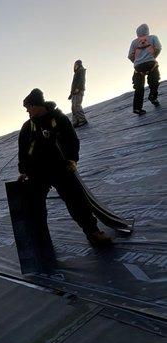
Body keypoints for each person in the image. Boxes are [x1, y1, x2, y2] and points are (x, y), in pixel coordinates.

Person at [18, 88, 112, 247]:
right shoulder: (28, 127)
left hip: (60, 168)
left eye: (28, 107)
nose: (27, 111)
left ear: (36, 105)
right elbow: (23, 150)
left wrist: (72, 160)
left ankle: (93, 232)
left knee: (77, 201)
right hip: (37, 172)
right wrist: (24, 171)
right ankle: (40, 242)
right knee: (34, 207)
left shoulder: (59, 119)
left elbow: (71, 140)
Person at [128, 23, 162, 115]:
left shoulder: (134, 42)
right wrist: (152, 56)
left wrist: (137, 61)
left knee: (139, 87)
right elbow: (158, 48)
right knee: (154, 81)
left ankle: (137, 108)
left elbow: (130, 55)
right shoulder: (153, 37)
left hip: (138, 67)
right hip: (151, 64)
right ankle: (153, 96)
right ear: (147, 30)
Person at [68, 60, 88, 128]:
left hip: (78, 91)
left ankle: (82, 120)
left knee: (77, 105)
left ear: (78, 64)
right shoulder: (76, 72)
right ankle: (76, 121)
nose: (74, 66)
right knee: (73, 107)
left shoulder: (81, 70)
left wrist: (78, 88)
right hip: (74, 92)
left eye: (75, 64)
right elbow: (74, 84)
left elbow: (81, 80)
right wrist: (71, 94)